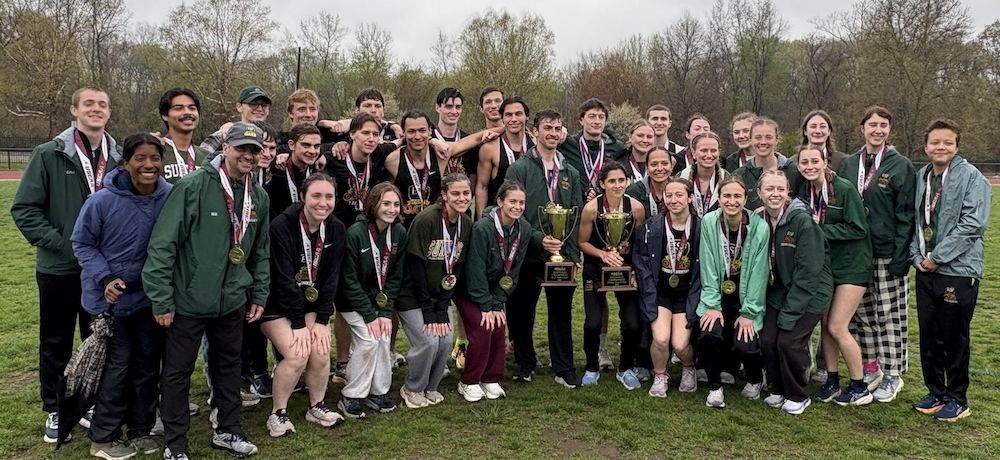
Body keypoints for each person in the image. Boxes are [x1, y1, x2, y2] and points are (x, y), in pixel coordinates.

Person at [143, 122, 270, 460]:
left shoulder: (258, 195)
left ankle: (228, 430)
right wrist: (161, 298)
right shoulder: (193, 185)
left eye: (254, 150)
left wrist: (258, 293)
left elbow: (260, 251)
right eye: (241, 148)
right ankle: (175, 443)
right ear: (224, 148)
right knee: (177, 373)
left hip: (231, 301)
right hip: (188, 301)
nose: (248, 155)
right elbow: (162, 246)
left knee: (228, 368)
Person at [11, 86, 122, 442]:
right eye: (88, 103)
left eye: (102, 104)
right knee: (56, 341)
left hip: (104, 271)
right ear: (74, 110)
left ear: (109, 112)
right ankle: (56, 408)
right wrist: (62, 245)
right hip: (60, 268)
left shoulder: (119, 158)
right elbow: (25, 210)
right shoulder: (49, 154)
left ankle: (89, 402)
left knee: (98, 339)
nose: (96, 109)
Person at [71, 133, 170, 459]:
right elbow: (82, 243)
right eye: (139, 158)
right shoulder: (101, 201)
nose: (148, 165)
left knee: (146, 367)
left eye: (154, 158)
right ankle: (104, 437)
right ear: (126, 162)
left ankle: (140, 430)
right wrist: (105, 277)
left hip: (148, 300)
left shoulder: (169, 197)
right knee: (118, 368)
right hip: (109, 303)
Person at [909, 119, 990, 422]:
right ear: (926, 145)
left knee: (954, 336)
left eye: (947, 142)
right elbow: (916, 221)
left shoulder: (972, 177)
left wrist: (938, 256)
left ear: (956, 145)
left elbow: (973, 225)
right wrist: (917, 255)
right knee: (929, 335)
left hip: (957, 269)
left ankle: (958, 397)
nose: (940, 147)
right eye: (935, 142)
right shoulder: (922, 177)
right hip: (925, 267)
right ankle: (936, 392)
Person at [456, 180, 562, 401]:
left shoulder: (521, 227)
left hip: (494, 292)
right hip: (469, 291)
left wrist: (497, 302)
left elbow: (512, 272)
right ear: (500, 202)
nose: (517, 206)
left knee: (499, 324)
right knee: (484, 326)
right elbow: (475, 270)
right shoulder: (483, 228)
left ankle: (491, 378)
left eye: (521, 202)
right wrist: (487, 305)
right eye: (512, 201)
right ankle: (469, 380)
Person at [838, 106, 916, 401]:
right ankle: (871, 368)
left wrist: (900, 257)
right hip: (857, 253)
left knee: (890, 315)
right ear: (862, 128)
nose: (877, 130)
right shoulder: (849, 164)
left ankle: (893, 374)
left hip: (886, 253)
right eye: (872, 125)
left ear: (889, 130)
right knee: (862, 315)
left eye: (883, 125)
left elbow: (906, 215)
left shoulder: (900, 165)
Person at [261, 172, 347, 436]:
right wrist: (298, 324)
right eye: (316, 196)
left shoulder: (335, 228)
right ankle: (278, 413)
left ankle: (316, 406)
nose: (323, 203)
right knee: (298, 354)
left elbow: (331, 277)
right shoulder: (281, 226)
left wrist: (322, 321)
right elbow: (282, 280)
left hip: (310, 306)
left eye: (329, 196)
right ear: (302, 197)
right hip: (276, 305)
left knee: (320, 351)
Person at [505, 109, 583, 387]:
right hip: (528, 253)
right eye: (547, 127)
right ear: (534, 132)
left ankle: (564, 367)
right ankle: (525, 363)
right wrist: (539, 239)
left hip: (561, 256)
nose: (552, 133)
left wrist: (572, 256)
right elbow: (515, 212)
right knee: (522, 312)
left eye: (558, 128)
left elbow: (575, 215)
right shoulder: (519, 168)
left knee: (561, 313)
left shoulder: (570, 172)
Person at [795, 145, 874, 405]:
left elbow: (858, 228)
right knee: (826, 326)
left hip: (852, 266)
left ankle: (859, 384)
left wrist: (821, 230)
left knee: (837, 326)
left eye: (814, 161)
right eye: (804, 162)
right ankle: (831, 379)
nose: (809, 166)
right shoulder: (807, 191)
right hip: (827, 266)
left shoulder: (843, 189)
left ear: (825, 161)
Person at [324, 112, 396, 385]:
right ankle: (342, 362)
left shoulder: (379, 154)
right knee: (342, 303)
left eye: (375, 134)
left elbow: (407, 140)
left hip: (368, 237)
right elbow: (300, 145)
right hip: (336, 238)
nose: (370, 139)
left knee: (365, 293)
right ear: (351, 134)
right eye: (365, 133)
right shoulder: (333, 158)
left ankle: (375, 356)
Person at [757, 170, 833, 415]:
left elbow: (809, 271)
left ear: (788, 192)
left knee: (789, 342)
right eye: (769, 189)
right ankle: (777, 389)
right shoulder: (761, 219)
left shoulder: (801, 220)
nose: (775, 194)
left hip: (810, 292)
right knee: (768, 339)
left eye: (780, 189)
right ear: (759, 193)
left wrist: (791, 311)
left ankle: (798, 395)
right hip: (780, 290)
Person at [396, 174, 473, 408]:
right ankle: (411, 387)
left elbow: (457, 266)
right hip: (412, 295)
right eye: (456, 193)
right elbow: (415, 266)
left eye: (466, 193)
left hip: (439, 296)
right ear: (444, 196)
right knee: (429, 341)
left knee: (446, 340)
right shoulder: (426, 220)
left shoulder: (465, 222)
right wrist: (429, 310)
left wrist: (442, 306)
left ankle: (431, 385)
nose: (462, 198)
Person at [335, 182, 408, 419]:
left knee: (383, 336)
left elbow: (395, 277)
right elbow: (348, 280)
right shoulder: (355, 233)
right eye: (386, 203)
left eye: (396, 204)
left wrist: (385, 313)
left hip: (380, 304)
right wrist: (370, 315)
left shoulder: (399, 233)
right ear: (373, 205)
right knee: (369, 339)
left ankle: (377, 392)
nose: (392, 209)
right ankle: (352, 395)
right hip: (352, 301)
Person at [696, 176, 769, 408]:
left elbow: (759, 273)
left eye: (737, 196)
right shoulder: (709, 221)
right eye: (727, 195)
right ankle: (715, 387)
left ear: (745, 199)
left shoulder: (759, 227)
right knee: (710, 332)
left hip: (747, 297)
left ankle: (756, 378)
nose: (732, 201)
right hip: (717, 293)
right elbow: (707, 264)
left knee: (744, 342)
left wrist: (749, 313)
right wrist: (711, 304)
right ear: (719, 198)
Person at [578, 162, 646, 389]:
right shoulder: (591, 208)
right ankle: (591, 367)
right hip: (596, 269)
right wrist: (602, 255)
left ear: (627, 181)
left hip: (625, 271)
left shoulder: (635, 208)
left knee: (632, 324)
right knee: (592, 323)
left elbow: (639, 245)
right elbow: (582, 242)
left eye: (621, 180)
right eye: (611, 181)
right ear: (602, 184)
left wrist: (635, 271)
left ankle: (625, 368)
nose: (617, 185)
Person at [634, 178, 701, 397]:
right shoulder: (653, 225)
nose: (673, 200)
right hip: (660, 292)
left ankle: (689, 368)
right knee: (661, 339)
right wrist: (641, 278)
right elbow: (641, 257)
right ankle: (660, 375)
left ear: (690, 197)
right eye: (669, 195)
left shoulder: (701, 227)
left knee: (680, 345)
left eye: (679, 195)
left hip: (687, 293)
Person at [383, 110, 444, 229]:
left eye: (422, 130)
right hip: (404, 229)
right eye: (411, 131)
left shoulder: (441, 155)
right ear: (404, 133)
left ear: (430, 131)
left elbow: (469, 142)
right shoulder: (391, 161)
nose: (417, 136)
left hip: (435, 228)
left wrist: (489, 131)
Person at [475, 96, 533, 219]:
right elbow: (482, 186)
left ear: (526, 116)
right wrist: (481, 220)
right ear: (502, 118)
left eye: (518, 114)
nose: (514, 119)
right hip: (499, 219)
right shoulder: (489, 148)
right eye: (508, 115)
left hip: (529, 217)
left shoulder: (536, 146)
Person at [558, 98, 626, 201]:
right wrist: (558, 130)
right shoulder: (567, 144)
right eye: (592, 116)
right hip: (576, 207)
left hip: (606, 207)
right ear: (581, 120)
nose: (597, 121)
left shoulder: (616, 147)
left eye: (601, 117)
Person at [732, 118, 791, 211]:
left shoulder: (793, 170)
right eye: (758, 137)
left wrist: (773, 211)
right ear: (750, 140)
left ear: (777, 139)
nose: (763, 142)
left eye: (768, 137)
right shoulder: (740, 175)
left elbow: (803, 204)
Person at [267, 123, 322, 219]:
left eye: (316, 146)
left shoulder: (319, 170)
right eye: (306, 145)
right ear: (292, 145)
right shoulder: (277, 169)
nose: (312, 151)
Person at [158, 88, 211, 184]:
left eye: (192, 108)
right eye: (178, 108)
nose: (187, 112)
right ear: (165, 115)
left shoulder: (208, 158)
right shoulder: (156, 153)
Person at [200, 86, 272, 152]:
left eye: (264, 105)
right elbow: (201, 156)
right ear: (239, 107)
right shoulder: (225, 133)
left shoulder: (274, 139)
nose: (259, 109)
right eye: (253, 104)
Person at [679, 132, 728, 217]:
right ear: (694, 152)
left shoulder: (728, 180)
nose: (709, 155)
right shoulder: (681, 179)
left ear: (719, 152)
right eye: (704, 150)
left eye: (713, 150)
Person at [625, 147, 676, 219]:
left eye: (664, 163)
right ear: (647, 168)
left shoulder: (681, 189)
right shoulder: (633, 192)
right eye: (654, 164)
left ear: (671, 166)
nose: (660, 168)